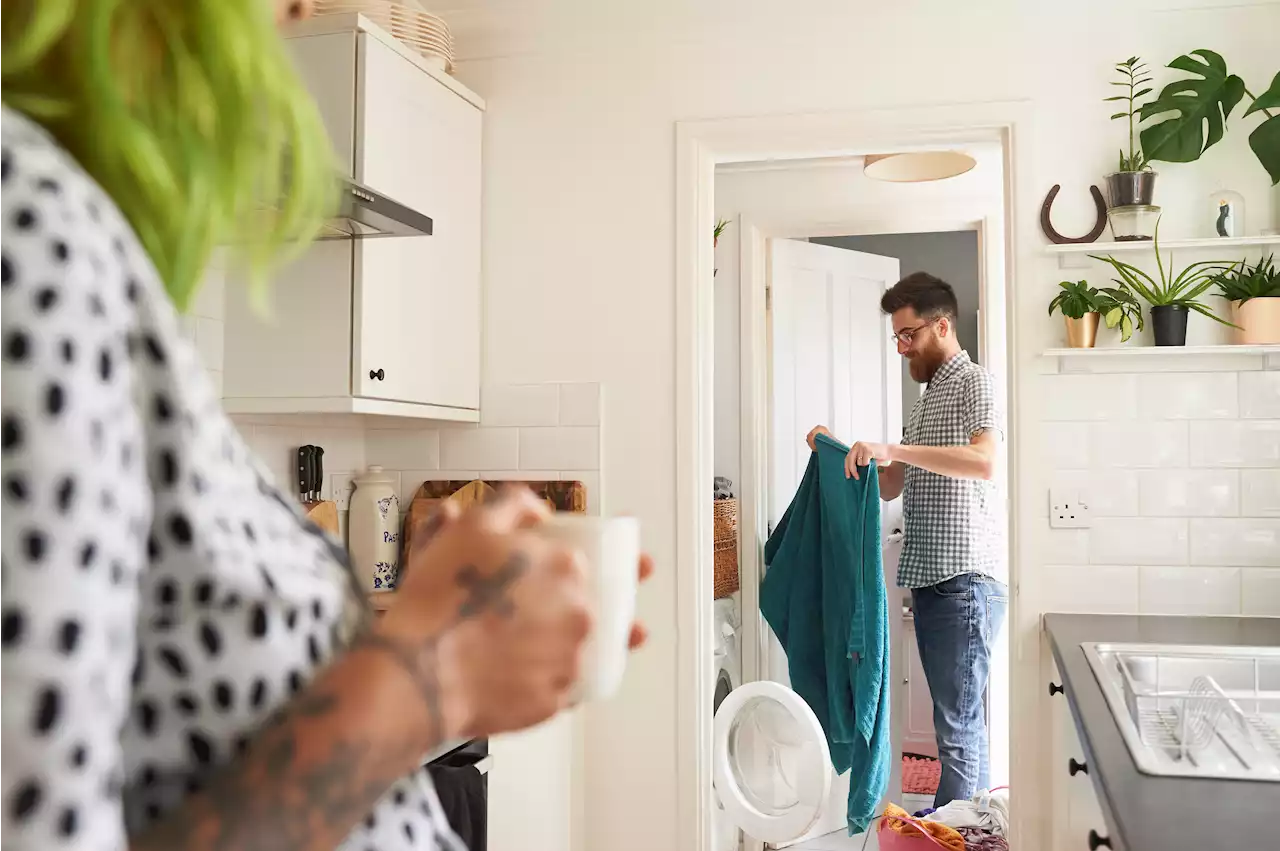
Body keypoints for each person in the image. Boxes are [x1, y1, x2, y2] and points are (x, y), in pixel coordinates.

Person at [0, 2, 651, 850]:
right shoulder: (34, 228)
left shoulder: (75, 244)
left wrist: (420, 625)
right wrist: (433, 676)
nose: (304, 8)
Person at [806, 272, 1007, 808]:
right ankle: (972, 831)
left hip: (963, 582)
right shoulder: (925, 400)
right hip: (934, 583)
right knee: (960, 728)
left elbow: (984, 461)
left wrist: (894, 448)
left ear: (941, 325)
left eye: (908, 335)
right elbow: (893, 483)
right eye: (895, 337)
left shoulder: (974, 383)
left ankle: (950, 834)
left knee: (957, 732)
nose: (901, 347)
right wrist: (845, 454)